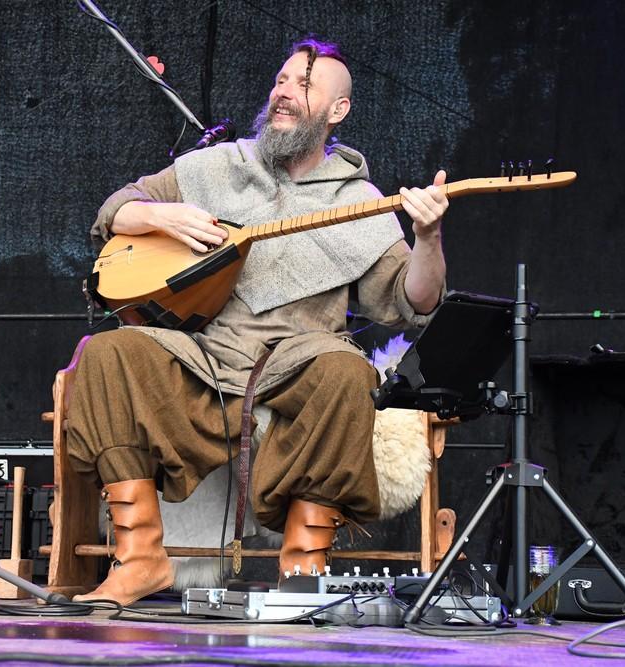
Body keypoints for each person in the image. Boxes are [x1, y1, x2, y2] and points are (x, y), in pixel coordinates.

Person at [65, 38, 449, 605]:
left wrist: (428, 237)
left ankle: (302, 570)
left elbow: (413, 300)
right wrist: (159, 214)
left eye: (303, 85)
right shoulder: (220, 166)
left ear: (336, 110)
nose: (283, 93)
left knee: (348, 371)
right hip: (208, 357)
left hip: (304, 360)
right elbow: (115, 210)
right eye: (281, 81)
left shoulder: (359, 199)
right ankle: (142, 555)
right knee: (104, 355)